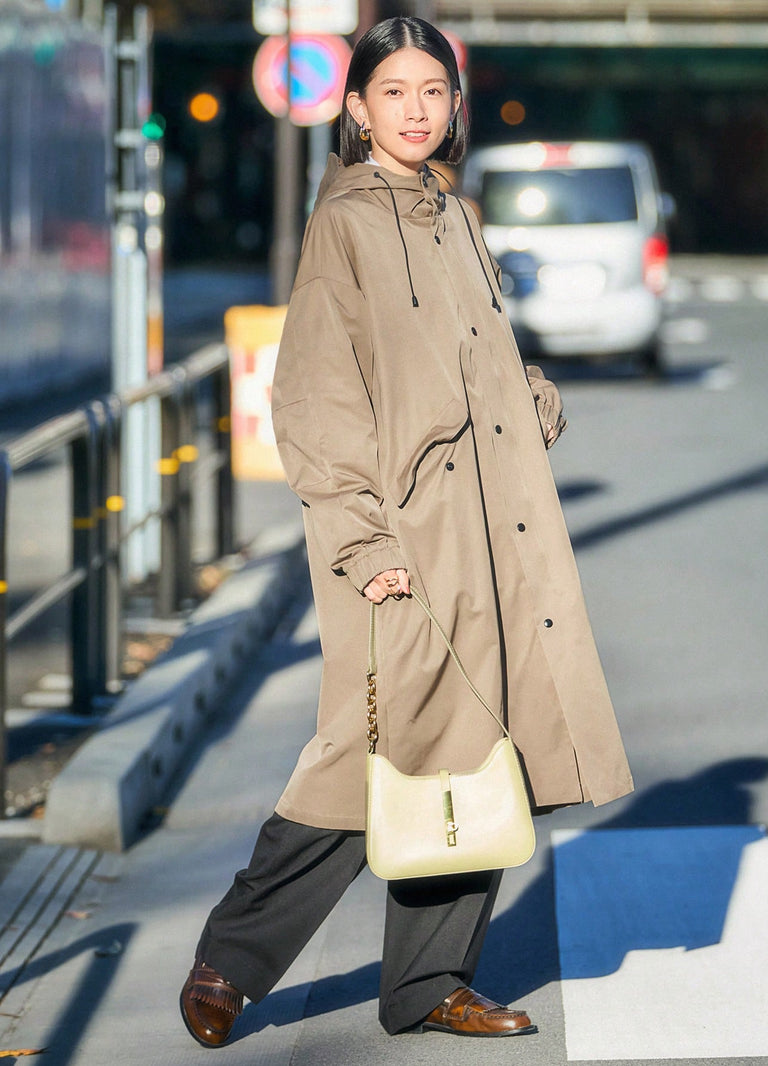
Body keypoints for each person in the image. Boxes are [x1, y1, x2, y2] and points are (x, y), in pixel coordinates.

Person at [180, 16, 633, 1047]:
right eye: (394, 92)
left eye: (433, 91)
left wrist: (529, 397)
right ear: (355, 109)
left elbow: (466, 358)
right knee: (366, 754)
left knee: (484, 752)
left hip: (491, 530)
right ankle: (232, 958)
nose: (416, 110)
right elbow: (313, 396)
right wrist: (363, 541)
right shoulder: (344, 220)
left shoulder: (451, 214)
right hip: (398, 539)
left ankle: (428, 983)